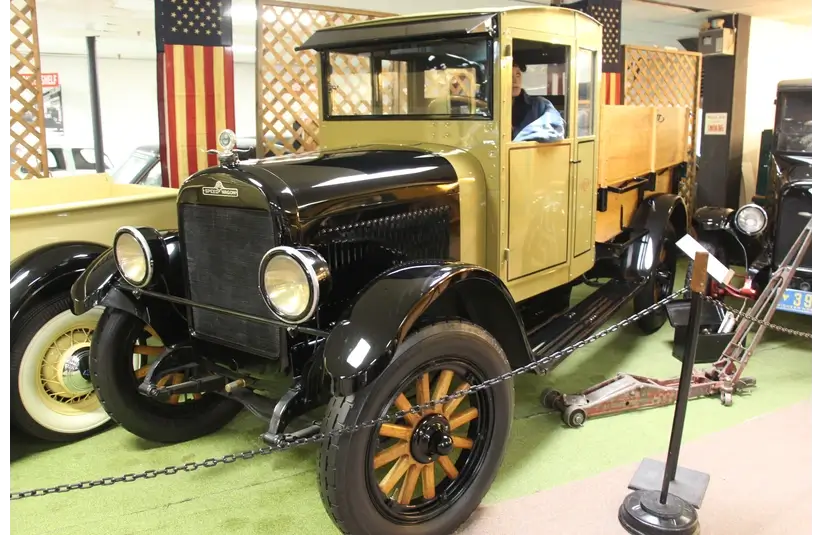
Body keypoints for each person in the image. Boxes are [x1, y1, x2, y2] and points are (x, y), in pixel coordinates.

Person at [511, 59, 565, 142]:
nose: (515, 81)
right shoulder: (490, 109)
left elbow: (555, 127)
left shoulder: (539, 105)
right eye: (509, 76)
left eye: (518, 75)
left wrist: (519, 141)